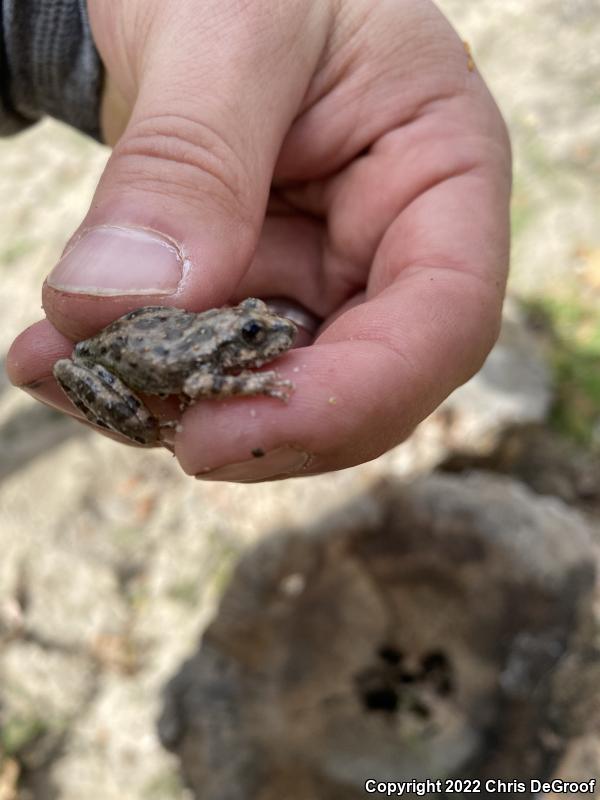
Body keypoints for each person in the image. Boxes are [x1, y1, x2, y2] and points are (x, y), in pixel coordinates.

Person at [5, 0, 511, 482]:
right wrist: (253, 383)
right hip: (117, 359)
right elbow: (201, 382)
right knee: (136, 413)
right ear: (228, 337)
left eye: (256, 324)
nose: (276, 332)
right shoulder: (210, 360)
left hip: (151, 334)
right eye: (253, 333)